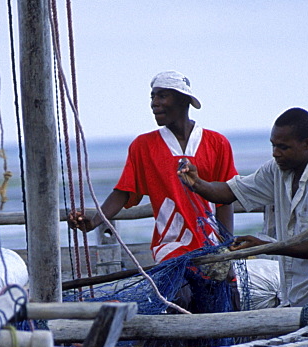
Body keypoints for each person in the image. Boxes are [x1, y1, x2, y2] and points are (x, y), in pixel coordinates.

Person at [71, 70, 238, 313]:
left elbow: (226, 199)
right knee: (179, 300)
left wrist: (226, 249)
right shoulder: (143, 146)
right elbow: (124, 191)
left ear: (184, 100)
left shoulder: (217, 143)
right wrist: (95, 220)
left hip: (210, 245)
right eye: (152, 97)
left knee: (222, 304)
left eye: (162, 96)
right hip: (170, 247)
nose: (154, 104)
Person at [178, 107, 308, 307]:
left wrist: (268, 247)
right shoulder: (276, 170)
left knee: (302, 327)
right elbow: (230, 192)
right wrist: (197, 183)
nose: (275, 153)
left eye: (283, 147)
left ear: (307, 144)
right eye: (273, 146)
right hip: (296, 289)